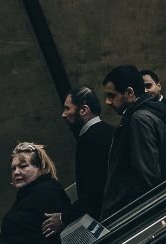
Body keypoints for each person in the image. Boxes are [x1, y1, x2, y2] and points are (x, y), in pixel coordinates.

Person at [100, 65, 166, 218]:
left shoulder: (139, 120)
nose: (107, 102)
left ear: (129, 93)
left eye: (111, 95)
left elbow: (147, 177)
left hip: (136, 214)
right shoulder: (150, 112)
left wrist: (129, 213)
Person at [41, 87, 114, 237]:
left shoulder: (89, 141)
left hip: (106, 217)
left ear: (84, 110)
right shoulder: (109, 130)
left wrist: (63, 217)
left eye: (67, 108)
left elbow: (93, 192)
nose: (63, 114)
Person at [2, 142, 71, 243]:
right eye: (13, 168)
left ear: (39, 168)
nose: (16, 172)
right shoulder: (28, 194)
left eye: (23, 166)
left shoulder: (46, 192)